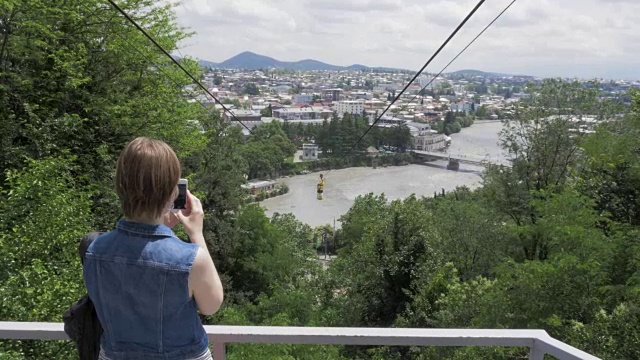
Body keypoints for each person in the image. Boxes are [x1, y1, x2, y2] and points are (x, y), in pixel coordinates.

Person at [83, 137, 224, 360]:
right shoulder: (191, 258)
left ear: (120, 186)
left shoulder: (95, 250)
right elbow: (211, 305)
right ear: (173, 194)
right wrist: (196, 234)